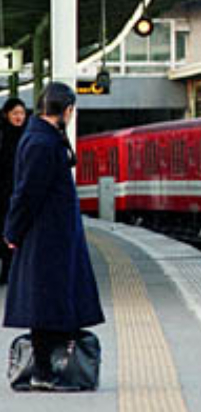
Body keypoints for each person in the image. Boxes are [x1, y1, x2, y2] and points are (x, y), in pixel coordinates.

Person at [4, 82, 104, 391]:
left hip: (53, 236)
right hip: (46, 238)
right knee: (47, 304)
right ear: (67, 110)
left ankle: (53, 370)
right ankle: (44, 372)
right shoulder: (41, 143)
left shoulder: (42, 138)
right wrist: (13, 230)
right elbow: (27, 193)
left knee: (53, 302)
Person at [0, 97, 27, 284]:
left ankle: (13, 272)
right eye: (15, 113)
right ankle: (6, 270)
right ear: (6, 115)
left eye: (22, 113)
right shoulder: (2, 136)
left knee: (16, 232)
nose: (19, 117)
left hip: (19, 193)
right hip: (2, 193)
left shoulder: (29, 137)